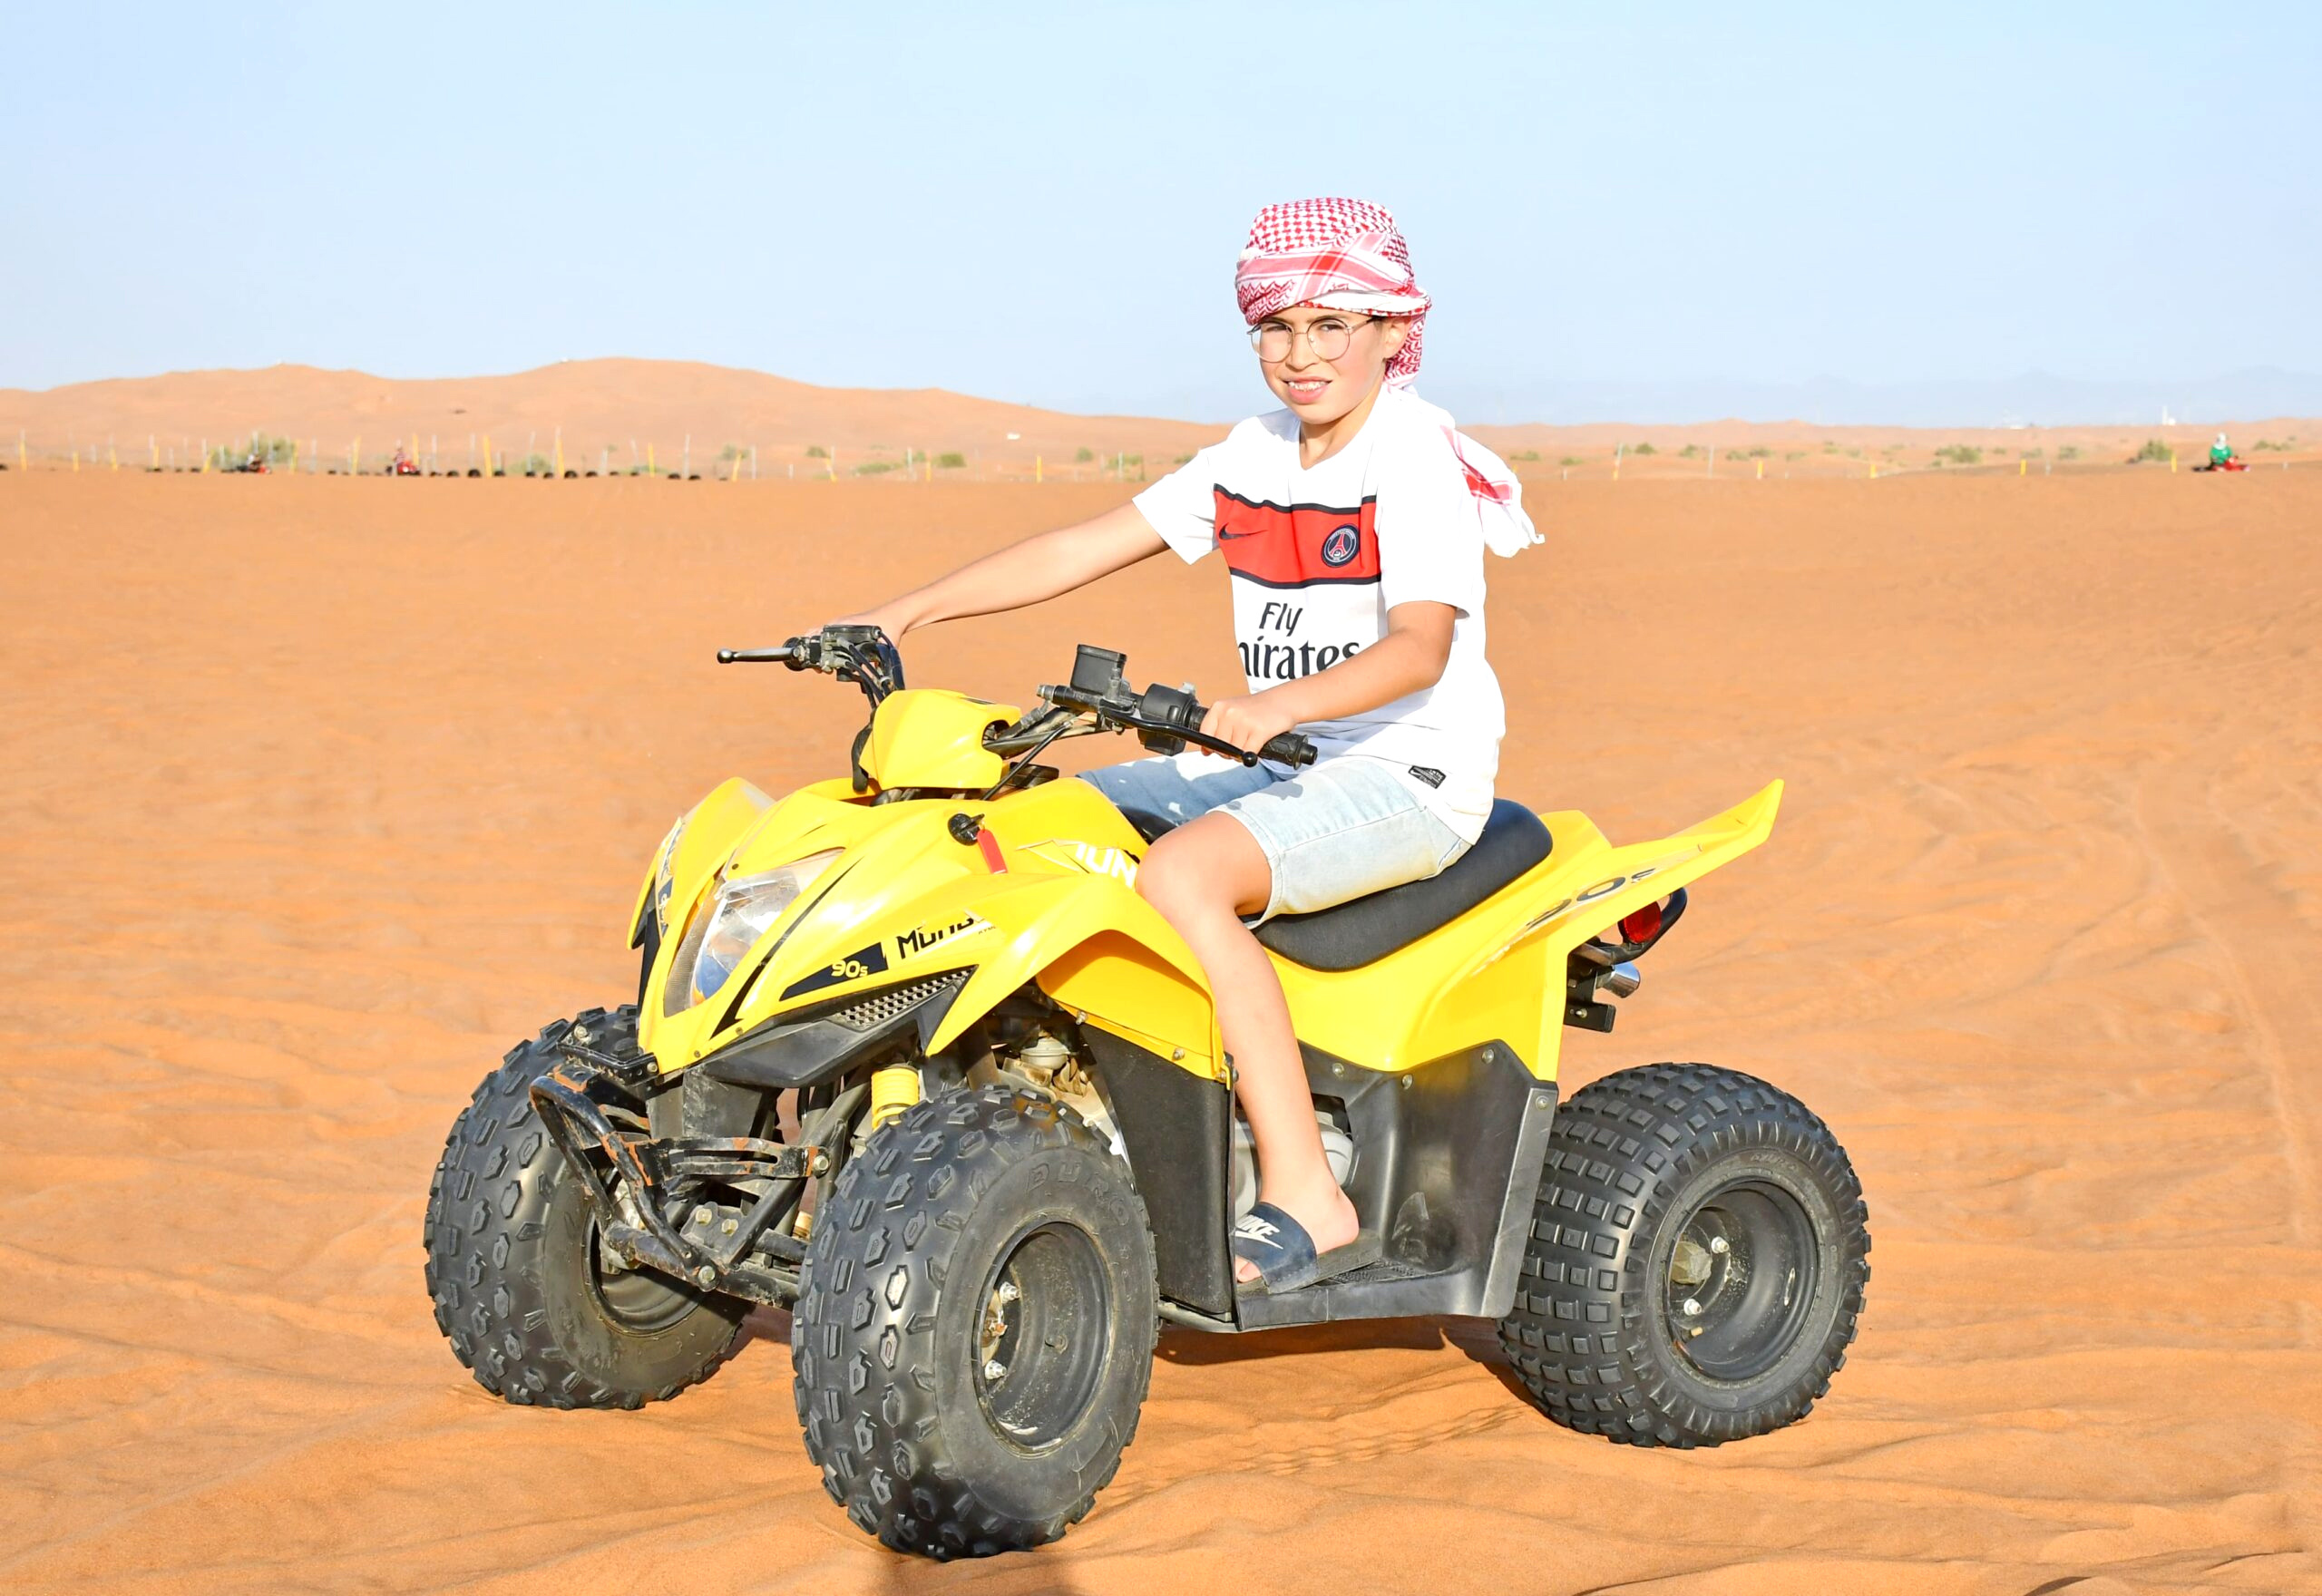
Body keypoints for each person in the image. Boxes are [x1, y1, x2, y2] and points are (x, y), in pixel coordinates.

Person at [829, 198, 1538, 1292]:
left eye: (1331, 325)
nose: (1300, 354)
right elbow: (1083, 545)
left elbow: (1419, 649)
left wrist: (1279, 705)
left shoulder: (1411, 459)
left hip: (1405, 771)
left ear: (1393, 330)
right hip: (1274, 760)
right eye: (1276, 327)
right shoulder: (1251, 456)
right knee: (1036, 827)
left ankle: (1305, 1186)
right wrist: (902, 611)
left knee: (1181, 873)